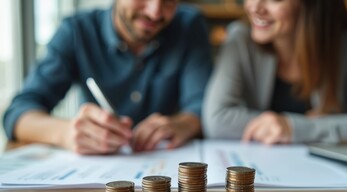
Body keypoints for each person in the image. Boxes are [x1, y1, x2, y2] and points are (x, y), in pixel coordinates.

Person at [3, 0, 212, 154]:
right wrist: (66, 133)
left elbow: (200, 106)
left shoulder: (189, 25)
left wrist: (185, 123)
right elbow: (18, 113)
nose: (155, 12)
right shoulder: (77, 31)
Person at [203, 0, 347, 144]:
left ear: (310, 6)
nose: (254, 6)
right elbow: (217, 121)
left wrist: (295, 128)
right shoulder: (239, 40)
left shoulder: (345, 46)